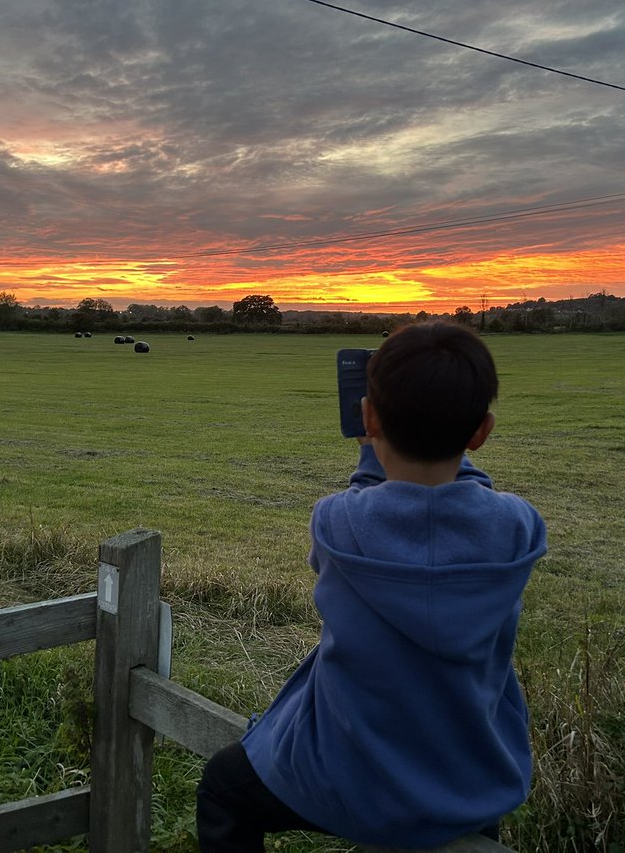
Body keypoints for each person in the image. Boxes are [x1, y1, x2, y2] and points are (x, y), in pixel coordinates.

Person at [196, 321, 547, 851]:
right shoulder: (519, 527)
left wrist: (372, 450)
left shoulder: (336, 522)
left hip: (347, 778)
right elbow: (468, 495)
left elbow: (373, 506)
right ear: (482, 432)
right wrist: (446, 437)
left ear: (368, 417)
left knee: (223, 788)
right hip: (465, 788)